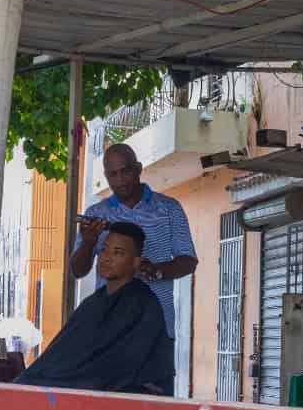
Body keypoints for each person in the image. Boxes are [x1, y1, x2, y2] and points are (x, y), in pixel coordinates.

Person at [69, 142, 196, 391]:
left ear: (138, 169)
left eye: (125, 171)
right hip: (109, 329)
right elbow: (78, 270)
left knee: (154, 406)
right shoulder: (97, 213)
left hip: (157, 326)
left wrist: (157, 270)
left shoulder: (169, 208)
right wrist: (88, 242)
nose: (119, 180)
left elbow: (188, 260)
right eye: (112, 174)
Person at [19, 223, 174, 394]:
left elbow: (116, 366)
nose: (106, 258)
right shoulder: (92, 304)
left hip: (129, 401)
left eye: (118, 253)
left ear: (136, 263)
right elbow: (62, 353)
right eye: (104, 250)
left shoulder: (144, 304)